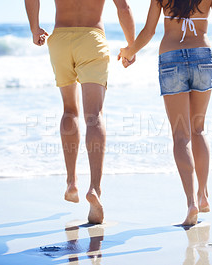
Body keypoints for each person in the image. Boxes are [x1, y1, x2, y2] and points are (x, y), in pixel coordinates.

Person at [119, 0, 212, 225]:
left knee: (181, 136)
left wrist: (129, 52)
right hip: (202, 57)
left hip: (171, 58)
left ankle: (191, 203)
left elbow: (149, 30)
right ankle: (203, 195)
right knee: (198, 130)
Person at [24, 0, 136, 224]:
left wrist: (34, 28)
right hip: (91, 39)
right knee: (94, 116)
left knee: (69, 111)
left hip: (60, 40)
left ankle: (71, 182)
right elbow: (123, 8)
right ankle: (94, 188)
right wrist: (131, 46)